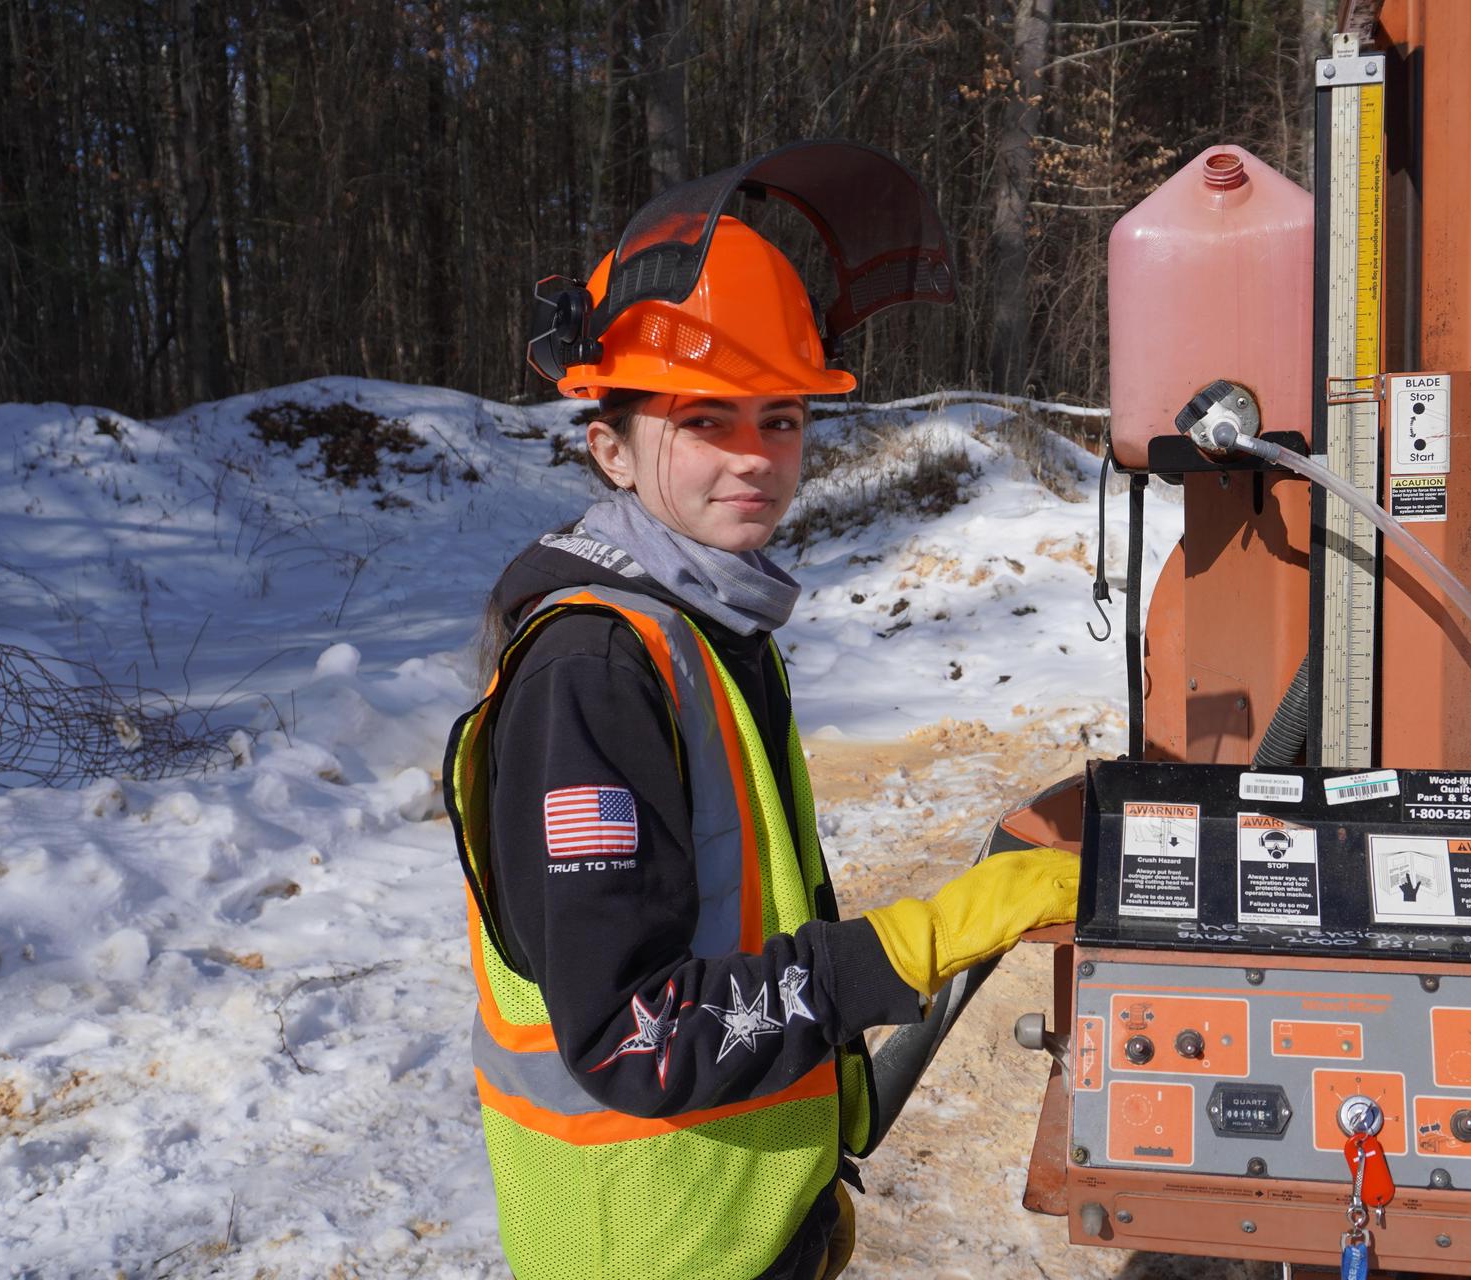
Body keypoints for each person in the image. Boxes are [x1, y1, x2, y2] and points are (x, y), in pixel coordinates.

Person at [444, 192, 1080, 1280]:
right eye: (705, 419)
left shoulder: (710, 624)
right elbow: (632, 1029)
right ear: (612, 447)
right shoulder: (593, 672)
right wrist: (929, 936)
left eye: (780, 418)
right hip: (654, 1240)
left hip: (737, 1210)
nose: (754, 457)